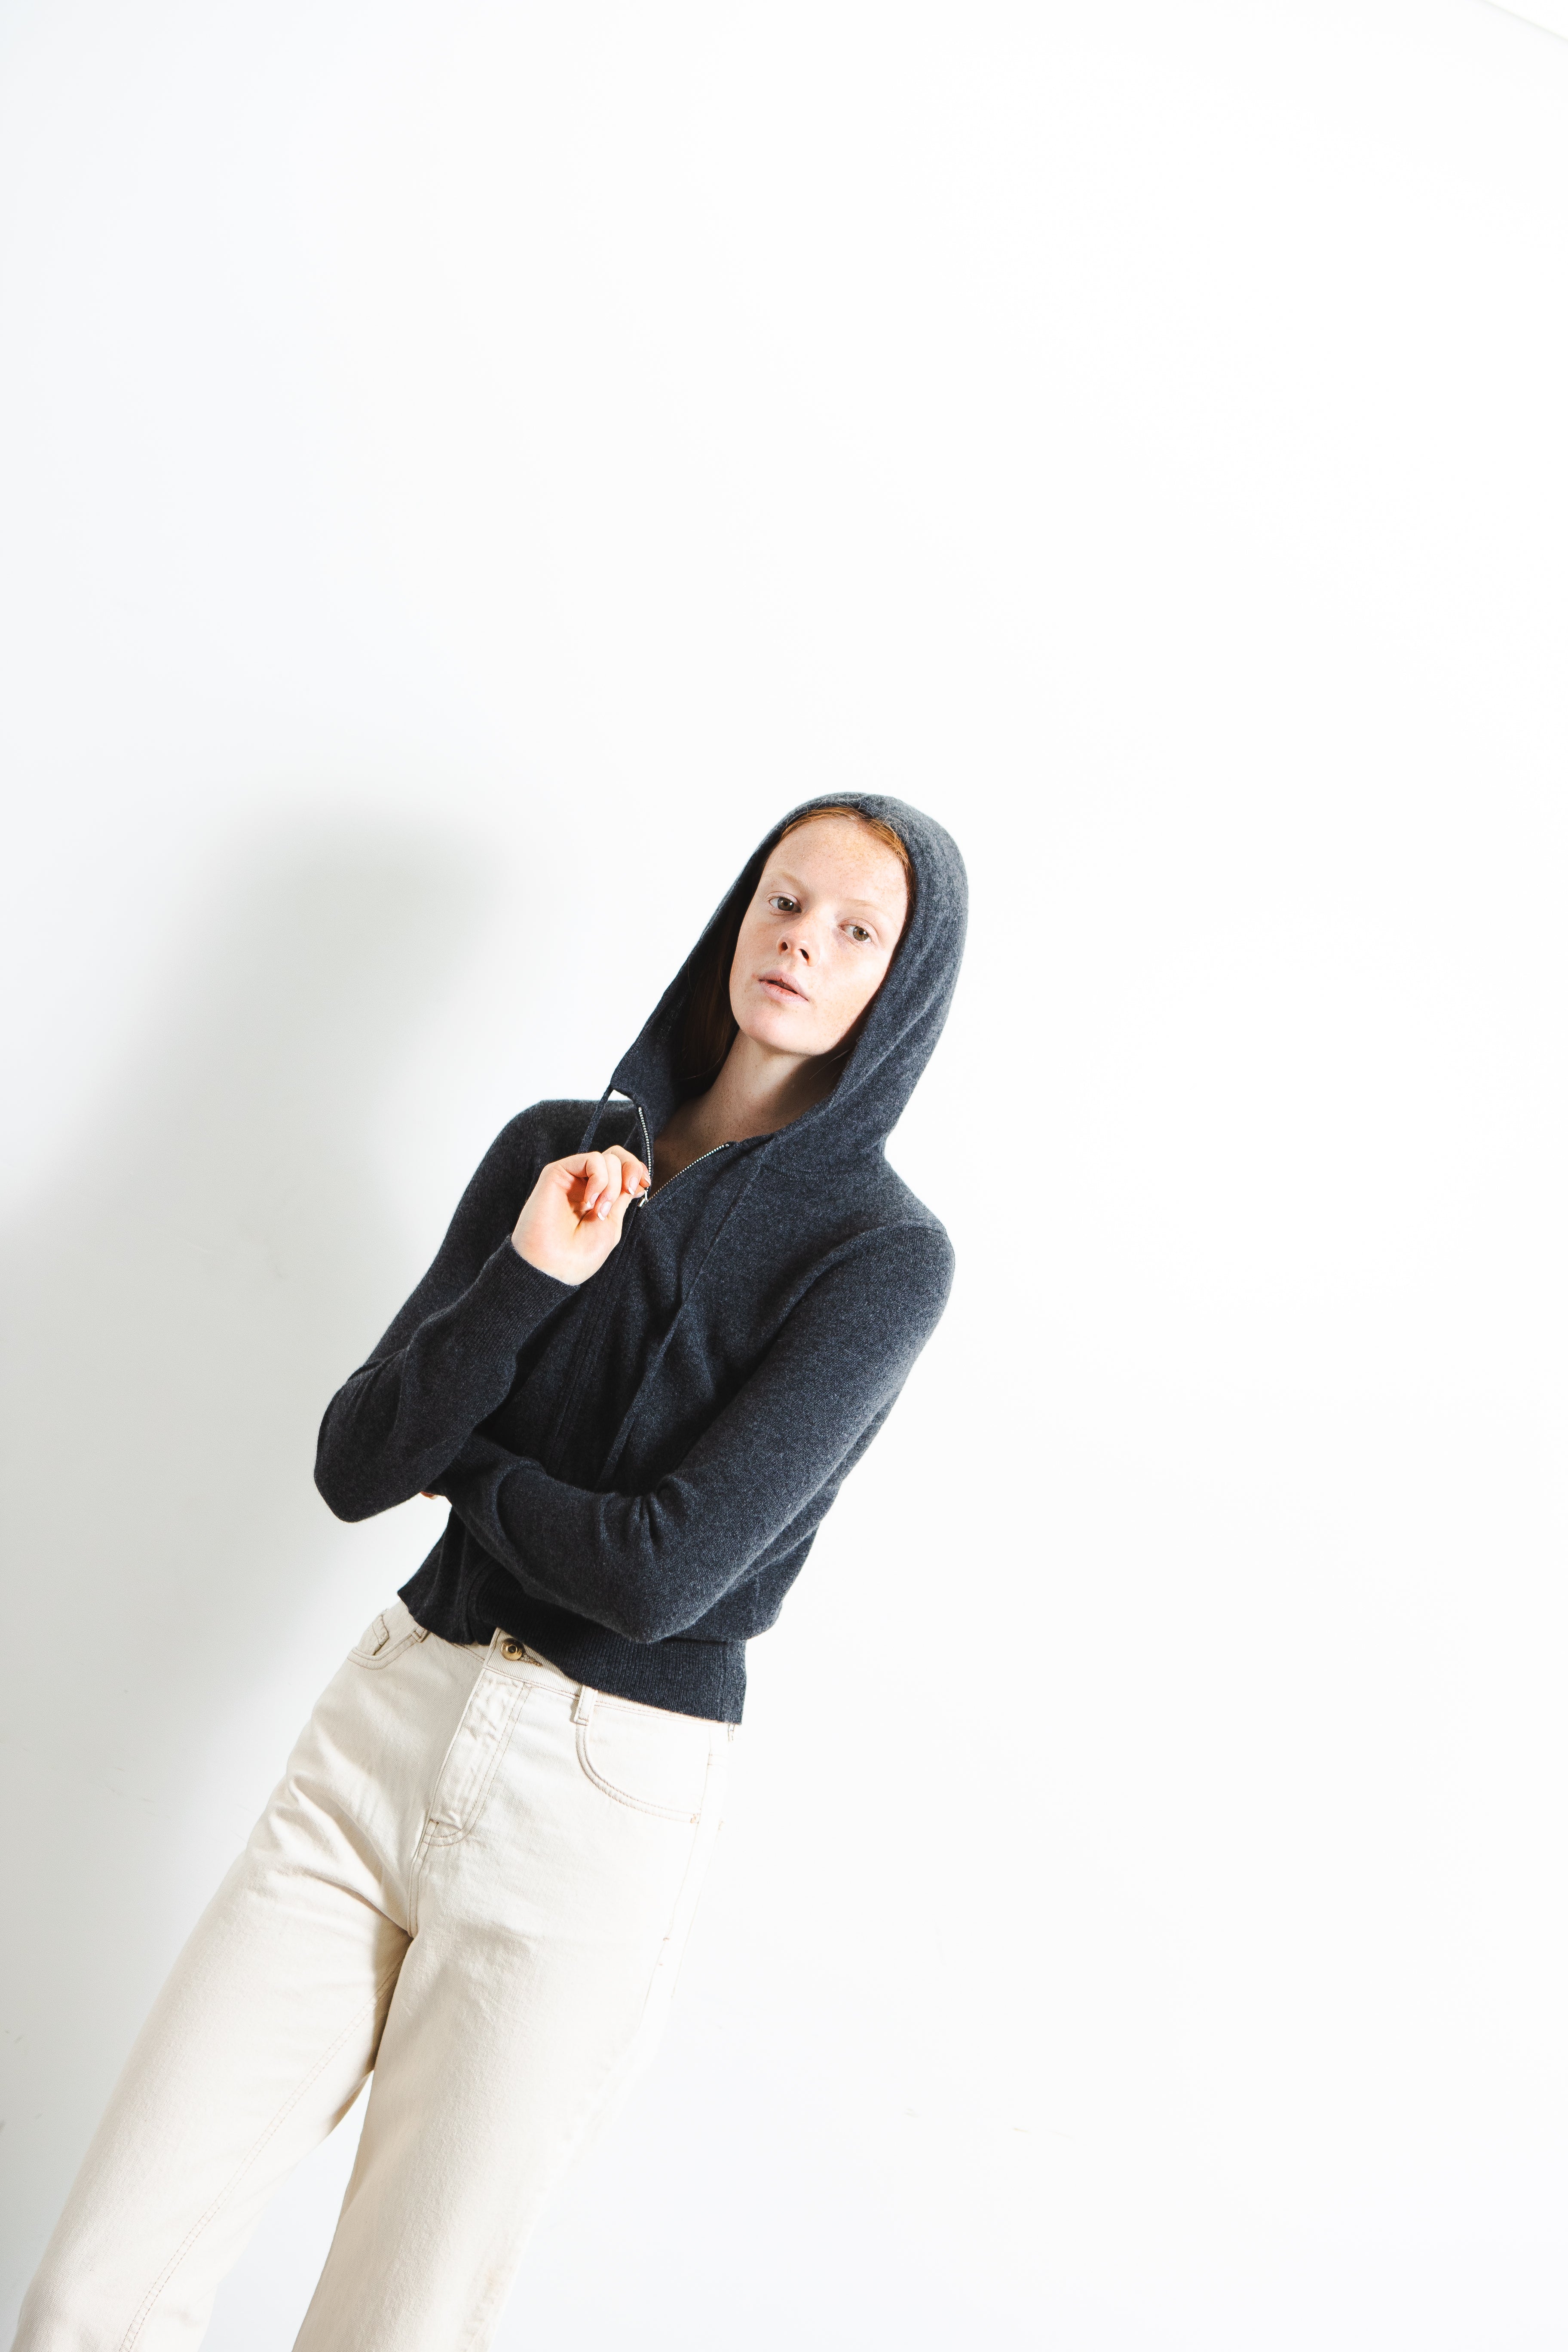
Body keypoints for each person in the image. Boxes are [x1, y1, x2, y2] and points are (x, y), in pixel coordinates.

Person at [14, 792, 967, 2351]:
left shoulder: (879, 1255)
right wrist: (529, 1274)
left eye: (859, 931)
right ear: (740, 915)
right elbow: (356, 1461)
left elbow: (660, 1577)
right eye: (786, 901)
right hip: (380, 1739)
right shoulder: (553, 1152)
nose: (804, 942)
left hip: (595, 1804)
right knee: (91, 2298)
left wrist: (469, 1468)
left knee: (389, 2331)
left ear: (903, 986)